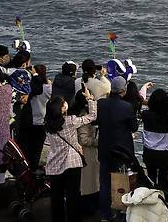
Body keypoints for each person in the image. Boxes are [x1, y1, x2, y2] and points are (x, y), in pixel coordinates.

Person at [44, 88, 97, 222]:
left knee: (56, 198)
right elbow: (92, 116)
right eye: (64, 103)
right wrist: (90, 99)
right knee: (73, 196)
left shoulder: (47, 124)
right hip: (72, 163)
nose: (66, 103)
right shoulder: (70, 121)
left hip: (54, 164)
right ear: (62, 109)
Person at [97, 76, 138, 221]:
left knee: (104, 182)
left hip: (104, 148)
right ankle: (122, 214)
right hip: (122, 151)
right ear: (123, 91)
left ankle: (105, 214)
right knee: (121, 182)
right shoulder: (127, 107)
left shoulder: (101, 104)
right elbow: (134, 127)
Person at [70, 89, 101, 216]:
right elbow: (84, 139)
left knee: (87, 182)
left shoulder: (76, 114)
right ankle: (89, 209)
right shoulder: (85, 117)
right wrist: (98, 142)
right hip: (88, 153)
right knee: (89, 182)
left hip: (84, 154)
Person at [142, 88, 168, 189]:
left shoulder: (146, 115)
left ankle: (150, 197)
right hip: (165, 154)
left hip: (149, 153)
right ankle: (161, 200)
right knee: (163, 179)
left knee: (151, 178)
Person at [26, 64, 52, 170]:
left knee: (29, 146)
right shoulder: (48, 88)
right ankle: (34, 167)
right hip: (42, 120)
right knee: (38, 147)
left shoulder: (29, 87)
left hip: (29, 119)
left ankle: (28, 166)